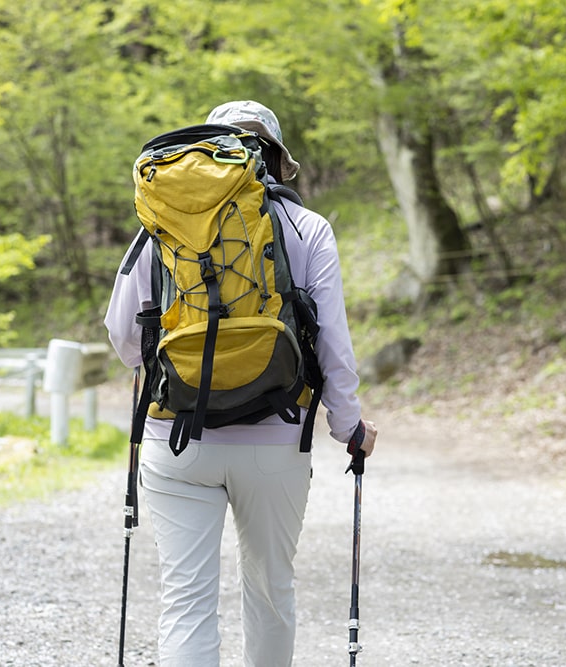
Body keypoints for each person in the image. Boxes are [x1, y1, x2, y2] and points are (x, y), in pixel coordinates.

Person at [104, 100, 377, 667]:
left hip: (176, 439)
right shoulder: (307, 228)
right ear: (275, 160)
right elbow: (334, 348)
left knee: (185, 603)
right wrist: (348, 428)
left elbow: (125, 339)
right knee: (272, 593)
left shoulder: (160, 225)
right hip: (275, 441)